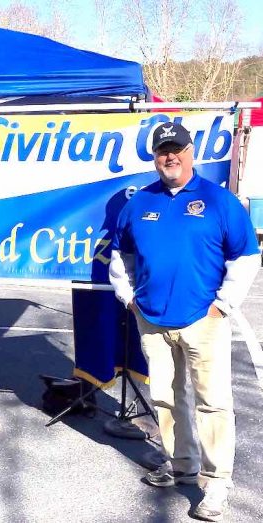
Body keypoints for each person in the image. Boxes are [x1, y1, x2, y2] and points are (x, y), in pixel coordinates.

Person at [109, 122, 260, 521]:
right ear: (154, 156)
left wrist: (222, 305)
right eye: (162, 150)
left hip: (203, 321)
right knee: (165, 396)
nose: (169, 156)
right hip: (153, 321)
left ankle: (217, 483)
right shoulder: (139, 203)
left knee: (213, 403)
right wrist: (129, 299)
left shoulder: (218, 201)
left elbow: (246, 256)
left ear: (191, 152)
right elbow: (120, 257)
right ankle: (182, 465)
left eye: (176, 148)